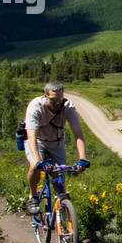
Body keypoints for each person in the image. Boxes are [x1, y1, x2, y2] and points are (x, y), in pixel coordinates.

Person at [24, 81, 89, 214]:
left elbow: (79, 135)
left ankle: (64, 219)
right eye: (53, 99)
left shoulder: (67, 107)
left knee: (59, 178)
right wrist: (38, 161)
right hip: (37, 141)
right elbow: (31, 137)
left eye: (60, 99)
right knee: (34, 167)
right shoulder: (35, 107)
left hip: (56, 143)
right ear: (45, 96)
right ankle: (33, 197)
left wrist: (82, 158)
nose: (57, 103)